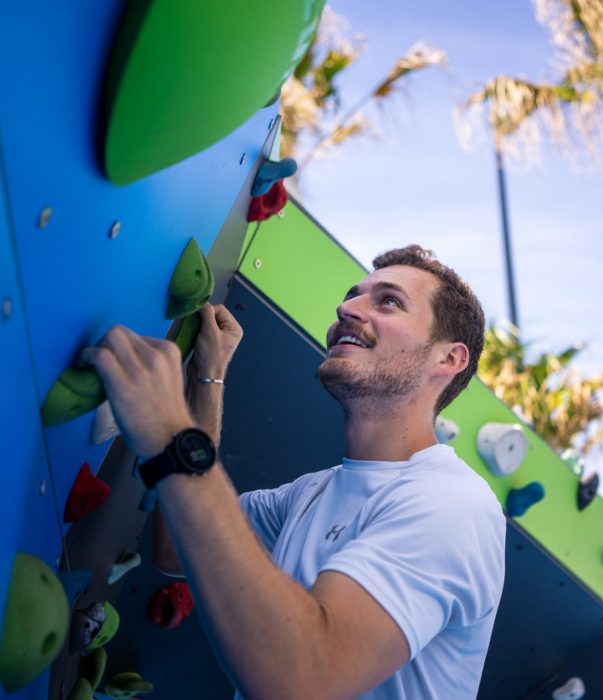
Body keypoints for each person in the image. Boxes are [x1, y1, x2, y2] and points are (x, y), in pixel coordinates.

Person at [82, 245, 506, 700]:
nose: (346, 308)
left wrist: (171, 431)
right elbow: (175, 549)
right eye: (351, 295)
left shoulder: (455, 503)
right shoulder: (311, 493)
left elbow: (305, 680)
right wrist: (208, 376)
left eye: (388, 301)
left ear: (449, 359)